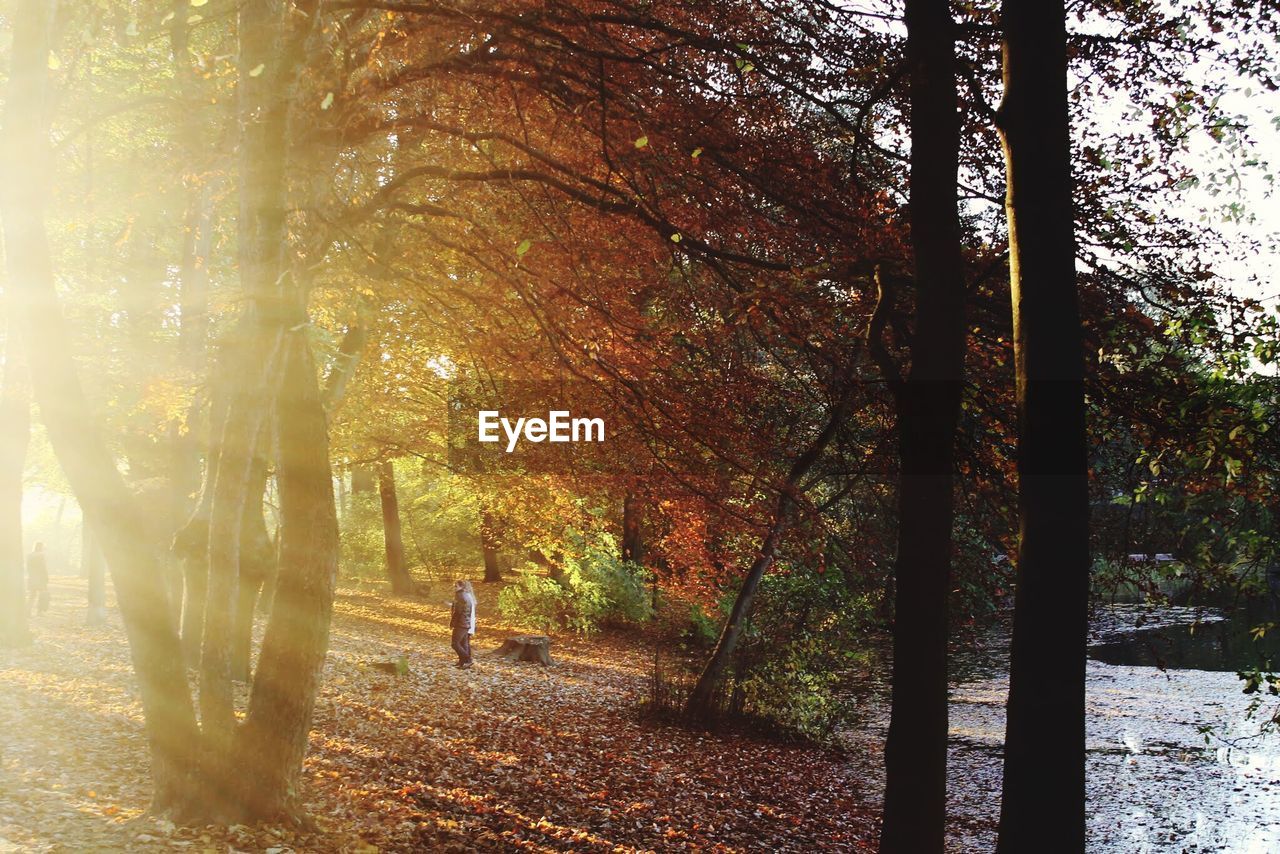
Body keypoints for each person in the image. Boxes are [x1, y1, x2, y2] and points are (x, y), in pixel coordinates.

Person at [449, 579, 476, 669]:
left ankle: (468, 660)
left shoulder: (460, 595)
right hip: (466, 623)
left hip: (461, 623)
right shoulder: (466, 595)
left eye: (456, 586)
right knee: (462, 643)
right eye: (454, 586)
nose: (454, 588)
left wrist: (452, 623)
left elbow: (458, 611)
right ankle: (462, 662)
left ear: (461, 587)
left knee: (455, 643)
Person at [27, 542, 49, 616]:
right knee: (42, 595)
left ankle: (28, 611)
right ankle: (39, 612)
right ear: (41, 547)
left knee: (32, 595)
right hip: (40, 578)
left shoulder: (29, 555)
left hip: (32, 577)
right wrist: (46, 577)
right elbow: (43, 567)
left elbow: (28, 567)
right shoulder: (41, 555)